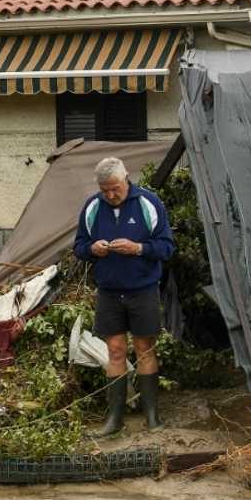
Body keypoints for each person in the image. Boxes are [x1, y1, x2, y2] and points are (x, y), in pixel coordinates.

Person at [74, 157, 175, 436]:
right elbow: (79, 246)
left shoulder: (148, 204)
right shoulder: (93, 207)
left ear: (126, 178)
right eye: (104, 189)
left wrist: (139, 248)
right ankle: (114, 419)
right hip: (108, 291)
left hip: (142, 289)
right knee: (115, 351)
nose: (109, 195)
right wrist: (92, 249)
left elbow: (167, 247)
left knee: (145, 349)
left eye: (114, 188)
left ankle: (152, 415)